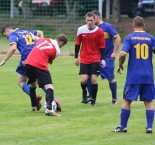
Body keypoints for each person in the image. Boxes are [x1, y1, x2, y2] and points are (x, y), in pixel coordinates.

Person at [112, 16, 155, 133]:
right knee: (149, 101)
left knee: (127, 100)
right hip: (148, 75)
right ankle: (149, 127)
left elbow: (122, 54)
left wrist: (120, 65)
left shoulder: (130, 38)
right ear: (144, 25)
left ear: (133, 25)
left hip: (134, 76)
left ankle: (123, 127)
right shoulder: (151, 38)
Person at [0, 25, 44, 111]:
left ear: (7, 32)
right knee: (41, 81)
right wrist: (41, 43)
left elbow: (13, 48)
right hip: (38, 56)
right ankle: (51, 100)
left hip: (27, 58)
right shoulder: (26, 31)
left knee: (21, 81)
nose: (7, 38)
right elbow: (40, 32)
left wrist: (4, 60)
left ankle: (35, 97)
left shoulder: (13, 34)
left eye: (5, 36)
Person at [25, 34, 67, 116]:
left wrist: (32, 36)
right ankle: (49, 109)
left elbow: (36, 38)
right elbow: (48, 61)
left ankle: (33, 105)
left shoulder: (46, 39)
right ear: (61, 43)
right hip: (39, 64)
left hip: (28, 62)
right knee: (49, 87)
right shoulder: (57, 50)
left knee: (32, 84)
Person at [86, 10, 121, 105]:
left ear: (98, 17)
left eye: (93, 19)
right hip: (94, 57)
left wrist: (114, 52)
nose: (91, 21)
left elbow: (117, 38)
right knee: (89, 76)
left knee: (110, 77)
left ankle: (114, 98)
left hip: (107, 57)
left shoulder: (107, 27)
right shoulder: (90, 28)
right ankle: (92, 97)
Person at [74, 12, 106, 106]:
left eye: (91, 20)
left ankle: (93, 100)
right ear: (85, 20)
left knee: (94, 79)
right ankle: (84, 94)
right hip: (84, 58)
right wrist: (76, 57)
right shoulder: (81, 30)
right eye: (87, 20)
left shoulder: (99, 31)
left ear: (94, 20)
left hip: (95, 58)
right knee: (84, 80)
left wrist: (103, 59)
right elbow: (77, 44)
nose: (89, 22)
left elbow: (102, 46)